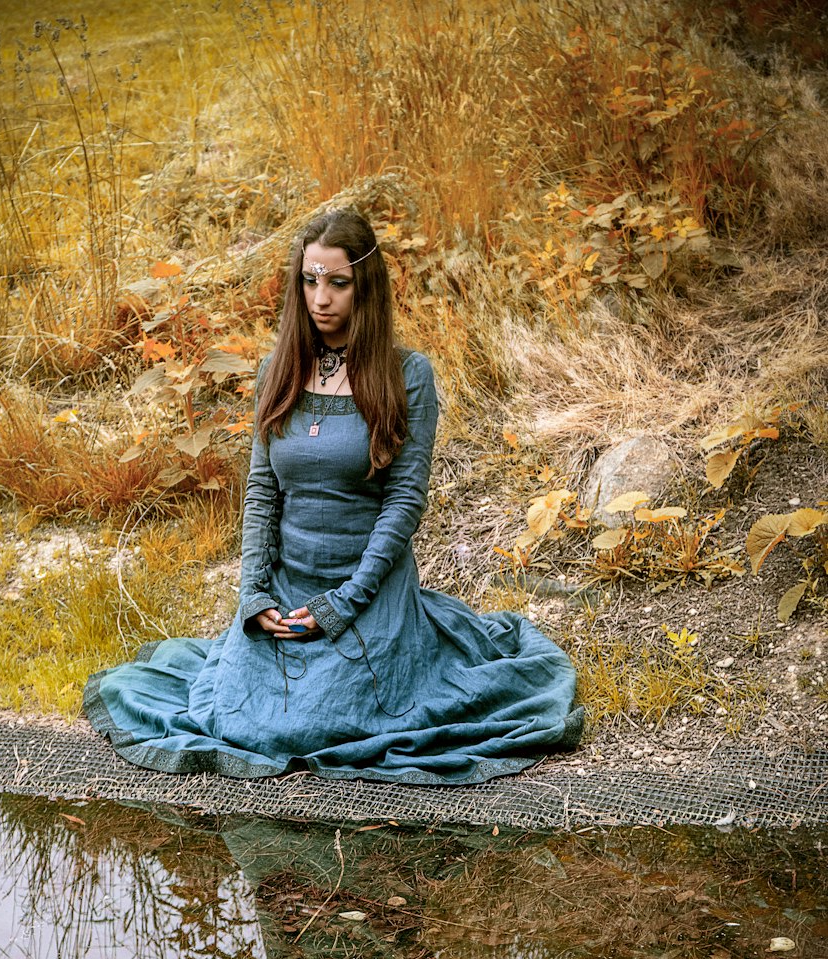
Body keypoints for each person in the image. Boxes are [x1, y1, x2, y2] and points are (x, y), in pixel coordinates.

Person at [84, 208, 583, 783]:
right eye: (310, 280)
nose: (321, 298)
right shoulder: (279, 369)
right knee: (241, 721)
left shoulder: (406, 375)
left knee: (323, 724)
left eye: (338, 283)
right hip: (288, 588)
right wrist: (253, 596)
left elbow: (403, 504)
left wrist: (344, 603)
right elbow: (262, 493)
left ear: (364, 285)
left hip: (370, 594)